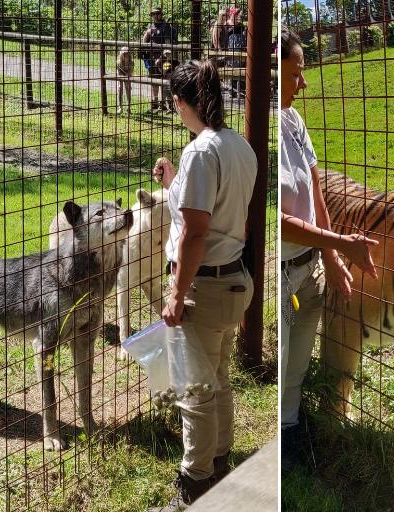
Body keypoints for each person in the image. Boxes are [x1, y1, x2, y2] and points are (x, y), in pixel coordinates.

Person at [149, 59, 257, 511]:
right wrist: (175, 182)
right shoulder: (238, 146)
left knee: (194, 391)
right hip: (234, 282)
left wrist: (176, 293)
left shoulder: (200, 152)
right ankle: (220, 461)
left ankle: (195, 486)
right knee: (218, 378)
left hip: (204, 288)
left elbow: (195, 233)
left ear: (179, 102)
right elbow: (212, 211)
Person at [279, 27, 379, 465]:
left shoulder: (294, 120)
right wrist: (340, 243)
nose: (304, 82)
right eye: (296, 72)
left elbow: (316, 192)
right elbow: (279, 222)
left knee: (298, 363)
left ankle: (291, 432)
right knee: (282, 359)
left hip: (309, 264)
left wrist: (331, 255)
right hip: (282, 269)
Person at [141, 6, 178, 112]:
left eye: (157, 14)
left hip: (164, 58)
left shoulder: (166, 26)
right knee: (154, 81)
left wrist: (161, 58)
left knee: (164, 79)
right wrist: (146, 33)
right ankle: (155, 103)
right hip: (152, 58)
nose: (155, 16)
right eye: (153, 14)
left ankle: (167, 105)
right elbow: (144, 43)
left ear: (161, 15)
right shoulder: (150, 26)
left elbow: (167, 46)